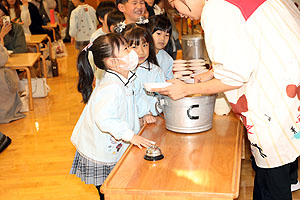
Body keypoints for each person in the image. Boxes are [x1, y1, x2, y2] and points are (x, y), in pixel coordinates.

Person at [153, 0, 300, 199]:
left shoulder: (217, 8)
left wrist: (187, 89)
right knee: (269, 173)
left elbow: (235, 76)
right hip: (288, 94)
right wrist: (213, 72)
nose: (178, 12)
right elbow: (251, 45)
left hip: (273, 101)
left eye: (174, 3)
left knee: (273, 180)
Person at [70, 33, 153, 200]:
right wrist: (131, 135)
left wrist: (146, 112)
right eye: (126, 49)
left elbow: (136, 98)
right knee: (109, 192)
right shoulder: (110, 87)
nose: (132, 51)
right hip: (100, 151)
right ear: (113, 62)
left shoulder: (127, 77)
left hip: (115, 144)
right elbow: (105, 119)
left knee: (118, 188)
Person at [120, 23, 166, 124]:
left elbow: (161, 97)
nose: (141, 52)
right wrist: (142, 114)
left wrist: (150, 112)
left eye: (145, 45)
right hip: (127, 123)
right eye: (134, 47)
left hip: (152, 120)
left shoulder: (155, 71)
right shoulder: (122, 72)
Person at [149, 14, 173, 80]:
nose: (162, 38)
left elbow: (169, 80)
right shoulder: (142, 56)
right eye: (159, 34)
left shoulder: (167, 59)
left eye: (166, 35)